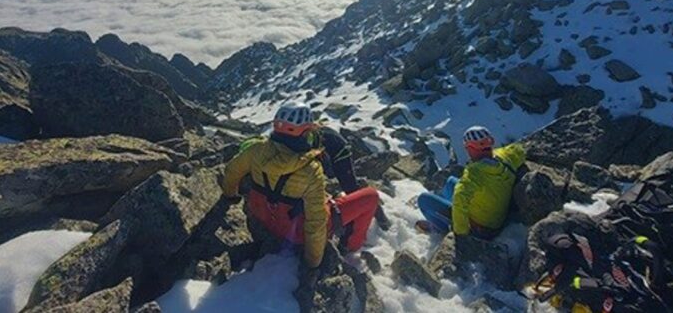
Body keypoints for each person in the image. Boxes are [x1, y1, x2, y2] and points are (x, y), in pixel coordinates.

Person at [222, 102, 380, 270]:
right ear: (305, 133)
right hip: (295, 232)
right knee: (371, 196)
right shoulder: (311, 169)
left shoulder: (255, 150)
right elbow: (316, 222)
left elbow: (231, 172)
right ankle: (350, 247)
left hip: (262, 218)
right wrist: (313, 262)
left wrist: (230, 195)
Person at [416, 125, 526, 241]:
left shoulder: (474, 173)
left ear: (470, 148)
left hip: (482, 229)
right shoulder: (504, 156)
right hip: (496, 215)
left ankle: (440, 228)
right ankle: (444, 213)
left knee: (424, 199)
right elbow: (519, 149)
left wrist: (461, 235)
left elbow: (460, 199)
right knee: (451, 182)